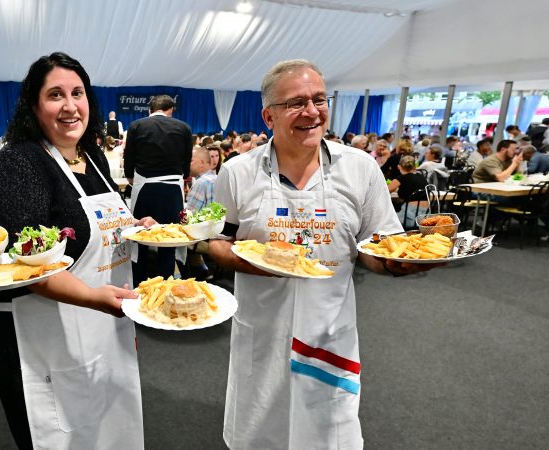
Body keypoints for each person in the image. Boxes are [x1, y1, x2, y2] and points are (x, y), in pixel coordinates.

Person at [209, 59, 438, 450]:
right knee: (259, 433)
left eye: (319, 99)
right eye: (296, 103)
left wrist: (397, 263)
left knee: (328, 435)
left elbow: (376, 247)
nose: (312, 112)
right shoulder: (237, 172)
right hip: (262, 332)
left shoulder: (361, 168)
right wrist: (264, 264)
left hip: (330, 335)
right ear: (268, 116)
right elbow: (216, 242)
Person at [0, 52, 151, 450]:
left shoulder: (93, 159)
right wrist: (90, 296)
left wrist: (137, 228)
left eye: (78, 93)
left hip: (101, 322)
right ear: (34, 106)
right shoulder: (19, 164)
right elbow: (25, 260)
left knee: (106, 426)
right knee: (59, 433)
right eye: (55, 95)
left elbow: (98, 231)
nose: (70, 106)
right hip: (37, 334)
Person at [123, 94, 192, 286]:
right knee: (168, 240)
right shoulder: (184, 127)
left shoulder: (137, 125)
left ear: (149, 110)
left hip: (145, 188)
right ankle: (166, 286)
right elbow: (186, 167)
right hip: (172, 192)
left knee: (140, 238)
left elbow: (129, 161)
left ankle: (137, 286)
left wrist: (133, 180)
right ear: (170, 110)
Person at [184, 146, 217, 278]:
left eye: (191, 161)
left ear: (202, 163)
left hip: (205, 239)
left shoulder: (201, 184)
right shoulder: (217, 179)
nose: (188, 164)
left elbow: (189, 219)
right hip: (217, 236)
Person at [388, 155, 429, 227]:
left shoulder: (401, 178)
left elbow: (386, 191)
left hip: (410, 215)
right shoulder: (421, 177)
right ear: (415, 166)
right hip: (426, 215)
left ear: (399, 167)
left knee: (388, 221)